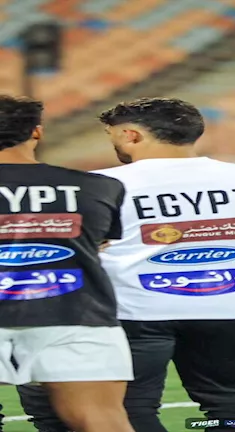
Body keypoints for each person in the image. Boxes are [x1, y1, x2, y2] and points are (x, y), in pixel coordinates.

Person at [17, 97, 235, 432]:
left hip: (132, 312)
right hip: (230, 310)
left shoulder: (95, 185)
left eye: (112, 136)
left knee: (129, 409)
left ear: (130, 135)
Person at [0, 95, 134, 432]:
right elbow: (99, 244)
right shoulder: (100, 186)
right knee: (101, 419)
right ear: (37, 131)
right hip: (75, 312)